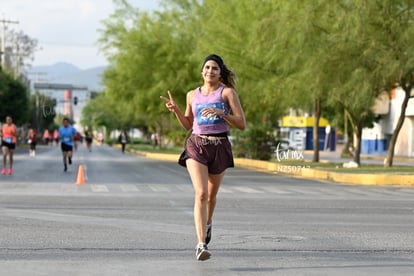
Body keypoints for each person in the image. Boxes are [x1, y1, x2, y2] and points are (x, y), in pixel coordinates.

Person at [160, 54, 246, 261]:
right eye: (207, 67)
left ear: (220, 72)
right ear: (202, 71)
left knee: (211, 196)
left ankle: (207, 224)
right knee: (201, 193)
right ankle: (201, 244)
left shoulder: (227, 93)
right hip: (196, 145)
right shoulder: (192, 95)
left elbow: (242, 124)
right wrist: (177, 111)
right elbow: (189, 124)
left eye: (214, 68)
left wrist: (221, 112)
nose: (210, 71)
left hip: (219, 146)